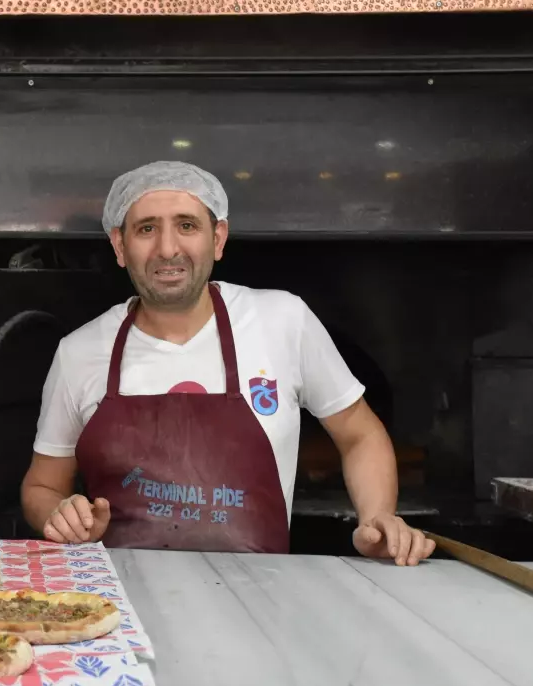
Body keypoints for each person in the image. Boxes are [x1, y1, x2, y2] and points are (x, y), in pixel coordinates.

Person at [21, 161, 434, 566]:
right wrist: (59, 516)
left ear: (218, 238)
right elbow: (42, 485)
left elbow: (359, 433)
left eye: (187, 225)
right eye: (146, 229)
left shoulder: (283, 320)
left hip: (262, 595)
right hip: (120, 601)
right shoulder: (79, 351)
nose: (168, 249)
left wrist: (378, 516)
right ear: (119, 245)